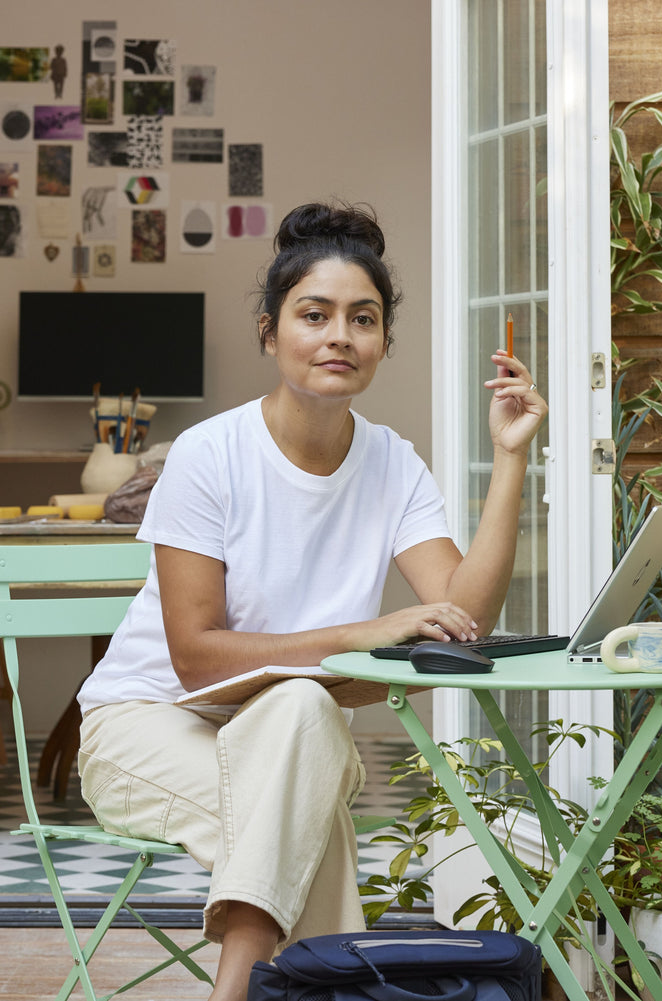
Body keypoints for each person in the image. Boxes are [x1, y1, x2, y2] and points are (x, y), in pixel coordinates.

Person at [75, 201, 548, 1001]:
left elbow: (462, 620)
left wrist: (509, 460)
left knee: (300, 713)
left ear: (384, 342)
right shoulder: (209, 454)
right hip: (147, 723)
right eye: (314, 314)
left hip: (295, 734)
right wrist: (366, 632)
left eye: (363, 319)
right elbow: (196, 658)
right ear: (270, 333)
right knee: (305, 801)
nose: (340, 336)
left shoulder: (393, 463)